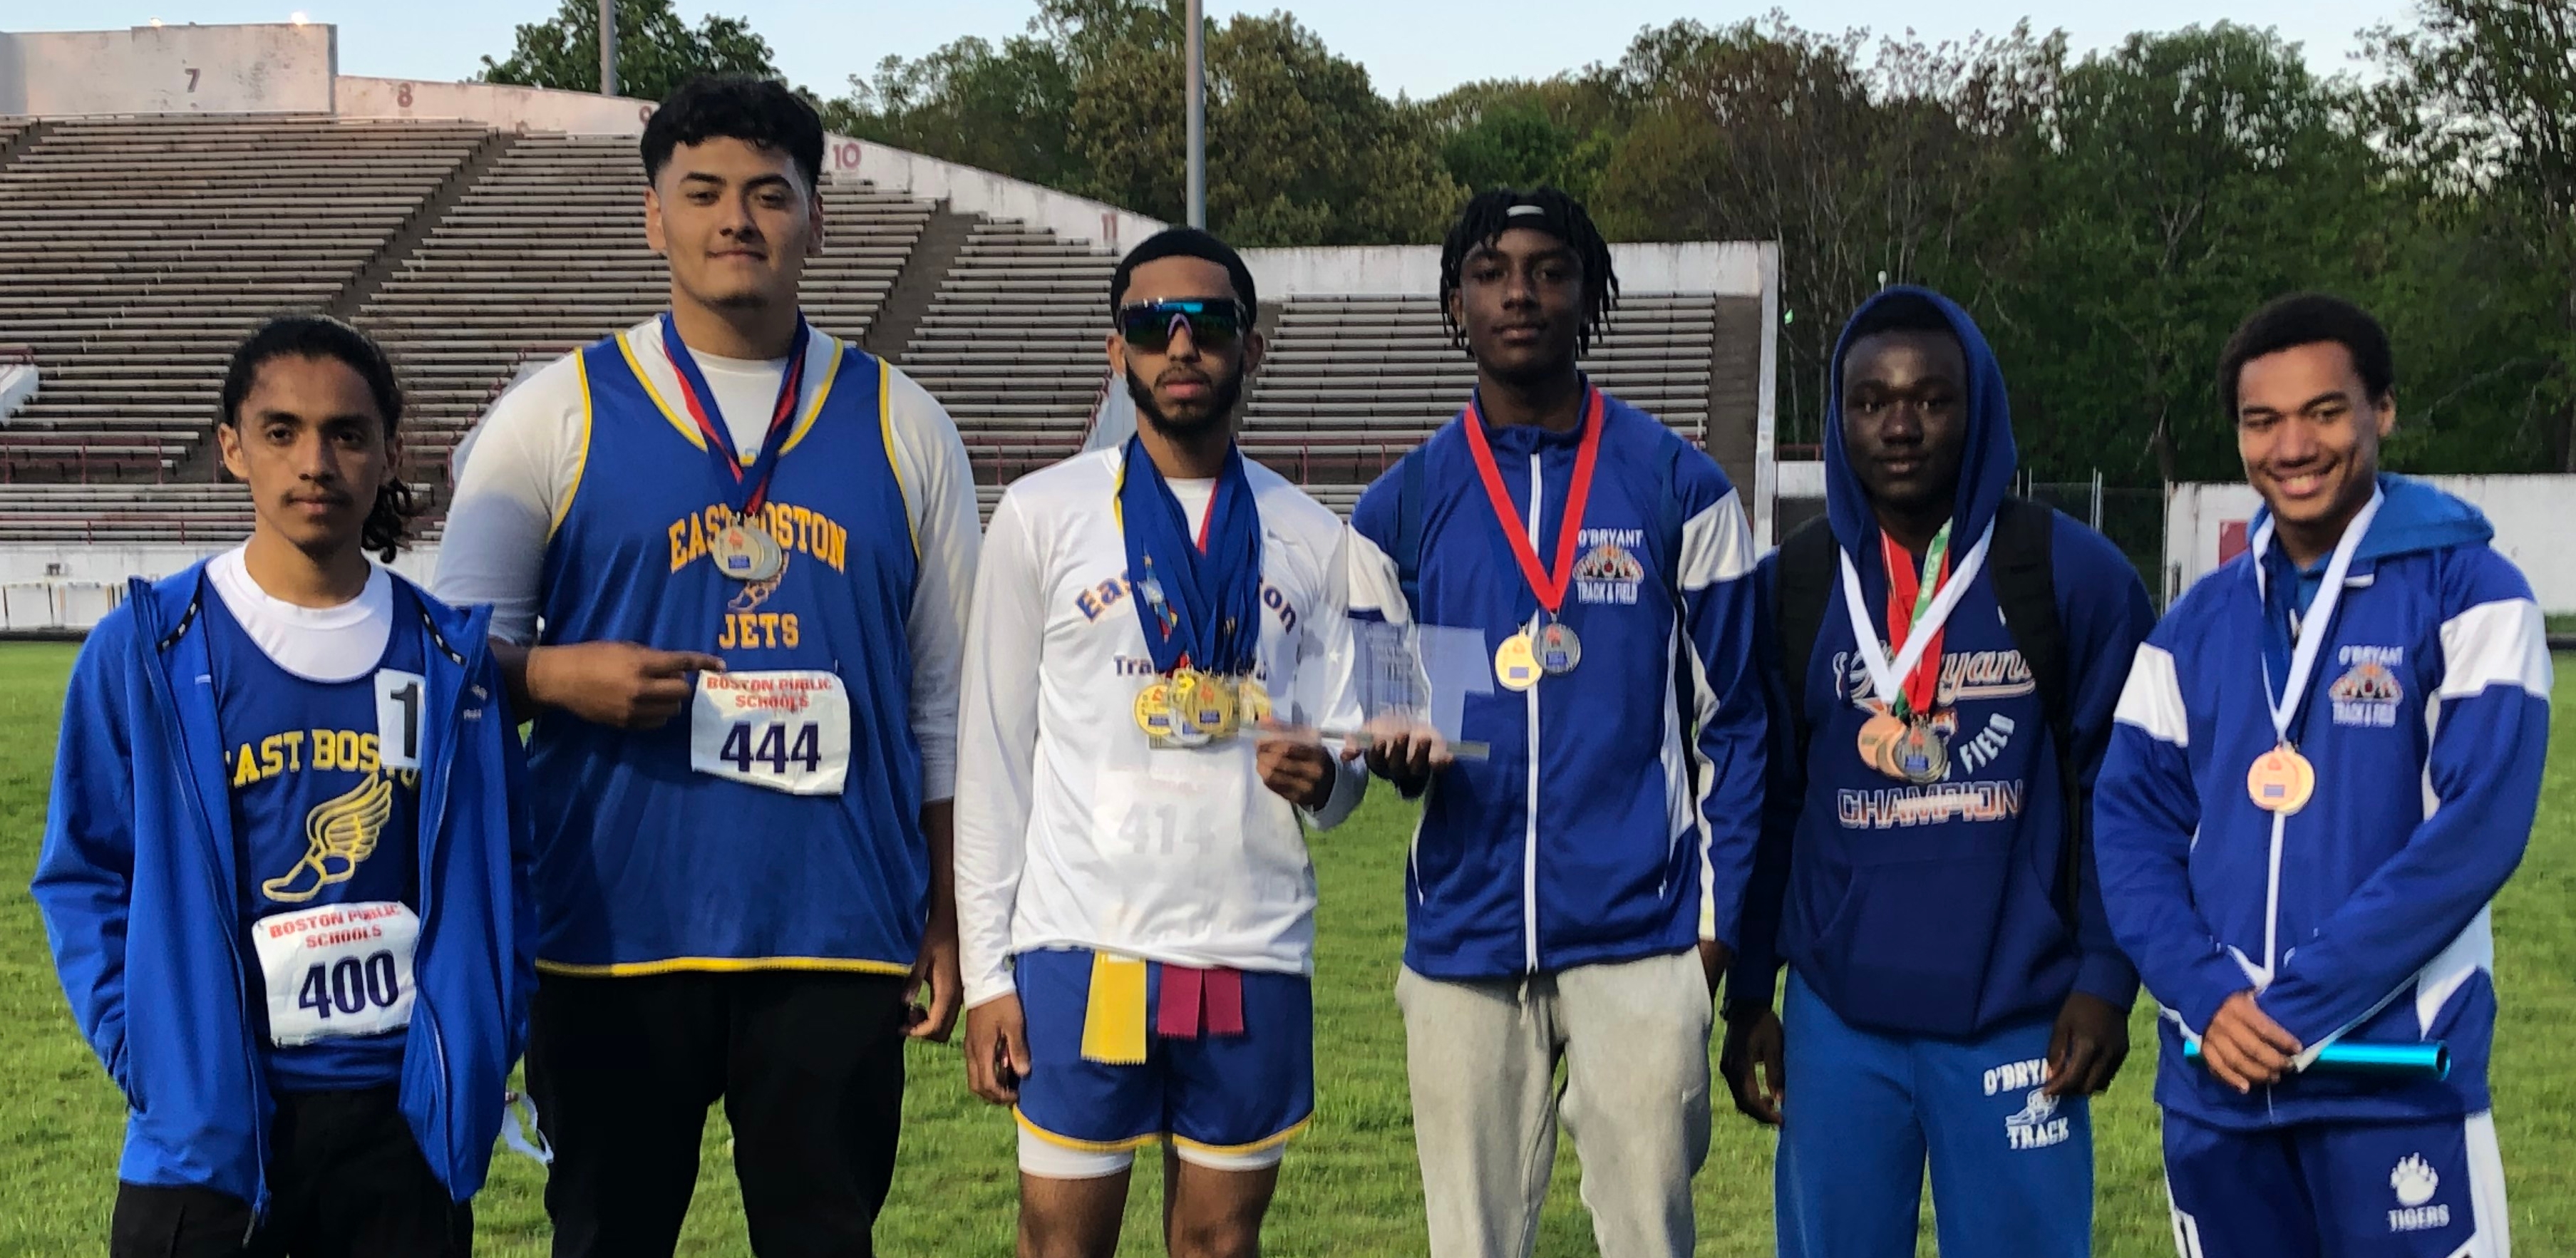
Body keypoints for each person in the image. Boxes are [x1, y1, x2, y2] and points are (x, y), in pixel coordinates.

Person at [432, 76, 979, 1257]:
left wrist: (949, 912)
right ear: (654, 218)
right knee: (608, 1238)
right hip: (612, 929)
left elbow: (945, 700)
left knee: (826, 1239)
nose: (739, 218)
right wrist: (556, 679)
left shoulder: (905, 422)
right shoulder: (555, 414)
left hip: (835, 932)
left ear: (814, 221)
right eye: (706, 192)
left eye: (771, 194)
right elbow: (440, 662)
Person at [34, 315, 532, 1258]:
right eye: (281, 431)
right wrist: (148, 1054)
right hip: (205, 1140)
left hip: (401, 1126)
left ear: (387, 455)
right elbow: (84, 873)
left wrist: (483, 1033)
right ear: (231, 448)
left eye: (347, 433)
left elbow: (509, 869)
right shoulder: (146, 649)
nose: (316, 460)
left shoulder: (446, 658)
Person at [1341, 187, 1766, 1257]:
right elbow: (1389, 708)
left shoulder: (1683, 486)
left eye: (1547, 269)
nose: (1519, 292)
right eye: (1491, 271)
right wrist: (1395, 753)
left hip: (1643, 933)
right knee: (1472, 1243)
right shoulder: (1396, 510)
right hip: (1464, 938)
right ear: (1454, 303)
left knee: (1650, 1239)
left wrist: (1710, 942)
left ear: (1590, 295)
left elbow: (1740, 724)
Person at [2095, 294, 2546, 1258]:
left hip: (2395, 1087)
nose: (2293, 445)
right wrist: (2208, 995)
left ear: (2381, 410)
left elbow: (2476, 833)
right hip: (2219, 1091)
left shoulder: (2474, 592)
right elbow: (2129, 827)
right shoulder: (2194, 625)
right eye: (2263, 421)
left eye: (2325, 412)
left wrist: (2290, 1011)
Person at [955, 226, 1368, 1258]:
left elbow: (1351, 764)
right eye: (1152, 324)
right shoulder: (1042, 516)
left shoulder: (1318, 537)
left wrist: (1328, 776)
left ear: (1251, 347)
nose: (1182, 344)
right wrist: (986, 977)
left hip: (1250, 944)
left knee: (1220, 1247)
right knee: (1059, 1246)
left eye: (1211, 322)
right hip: (1080, 943)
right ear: (1118, 350)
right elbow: (994, 755)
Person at [1718, 288, 2152, 1257]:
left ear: (1979, 406)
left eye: (1931, 398)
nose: (1901, 425)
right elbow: (1770, 806)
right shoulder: (1789, 589)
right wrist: (1751, 997)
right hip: (1838, 1025)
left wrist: (2107, 978)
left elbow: (2122, 797)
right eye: (1871, 400)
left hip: (2016, 1018)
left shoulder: (2071, 577)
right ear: (1839, 418)